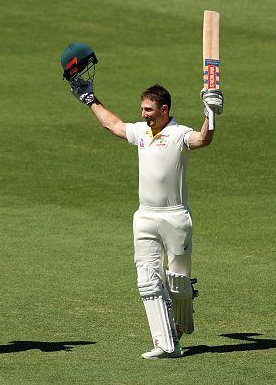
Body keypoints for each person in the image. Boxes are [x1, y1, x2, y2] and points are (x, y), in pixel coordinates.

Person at [69, 76, 224, 359]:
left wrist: (210, 113)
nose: (143, 115)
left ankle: (181, 319)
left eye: (149, 110)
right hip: (144, 217)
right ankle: (166, 344)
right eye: (142, 110)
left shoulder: (179, 134)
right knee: (147, 281)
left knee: (177, 281)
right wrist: (89, 98)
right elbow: (112, 124)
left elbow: (204, 139)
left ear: (164, 109)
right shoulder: (141, 132)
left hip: (175, 217)